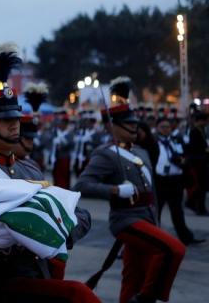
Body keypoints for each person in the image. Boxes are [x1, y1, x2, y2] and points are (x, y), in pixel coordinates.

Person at [0, 42, 96, 303]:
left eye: (14, 118)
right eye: (4, 120)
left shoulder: (27, 166)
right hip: (1, 280)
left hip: (39, 271)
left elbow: (76, 213)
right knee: (79, 296)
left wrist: (58, 232)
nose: (13, 126)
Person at [75, 76, 185, 303]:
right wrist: (114, 190)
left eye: (135, 122)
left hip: (147, 218)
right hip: (126, 220)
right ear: (111, 126)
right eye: (129, 123)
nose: (135, 126)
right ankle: (146, 298)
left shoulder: (141, 152)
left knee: (133, 276)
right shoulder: (105, 153)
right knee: (171, 249)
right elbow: (82, 185)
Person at [153, 115, 204, 245]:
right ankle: (153, 236)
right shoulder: (153, 142)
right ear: (157, 128)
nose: (166, 129)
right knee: (156, 211)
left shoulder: (176, 140)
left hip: (176, 180)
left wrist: (183, 160)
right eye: (162, 127)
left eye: (168, 127)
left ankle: (186, 237)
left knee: (177, 211)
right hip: (160, 181)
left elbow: (186, 154)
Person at [185, 111, 208, 215]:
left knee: (202, 186)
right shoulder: (194, 131)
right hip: (197, 162)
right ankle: (196, 206)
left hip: (202, 161)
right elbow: (195, 148)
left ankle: (196, 205)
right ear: (201, 121)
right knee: (200, 186)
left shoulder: (201, 130)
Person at [51, 110, 75, 189]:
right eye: (60, 122)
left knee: (65, 175)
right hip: (56, 157)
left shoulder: (69, 133)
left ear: (65, 124)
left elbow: (70, 144)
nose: (60, 124)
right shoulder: (55, 132)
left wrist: (61, 142)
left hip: (65, 157)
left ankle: (65, 189)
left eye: (62, 122)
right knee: (56, 174)